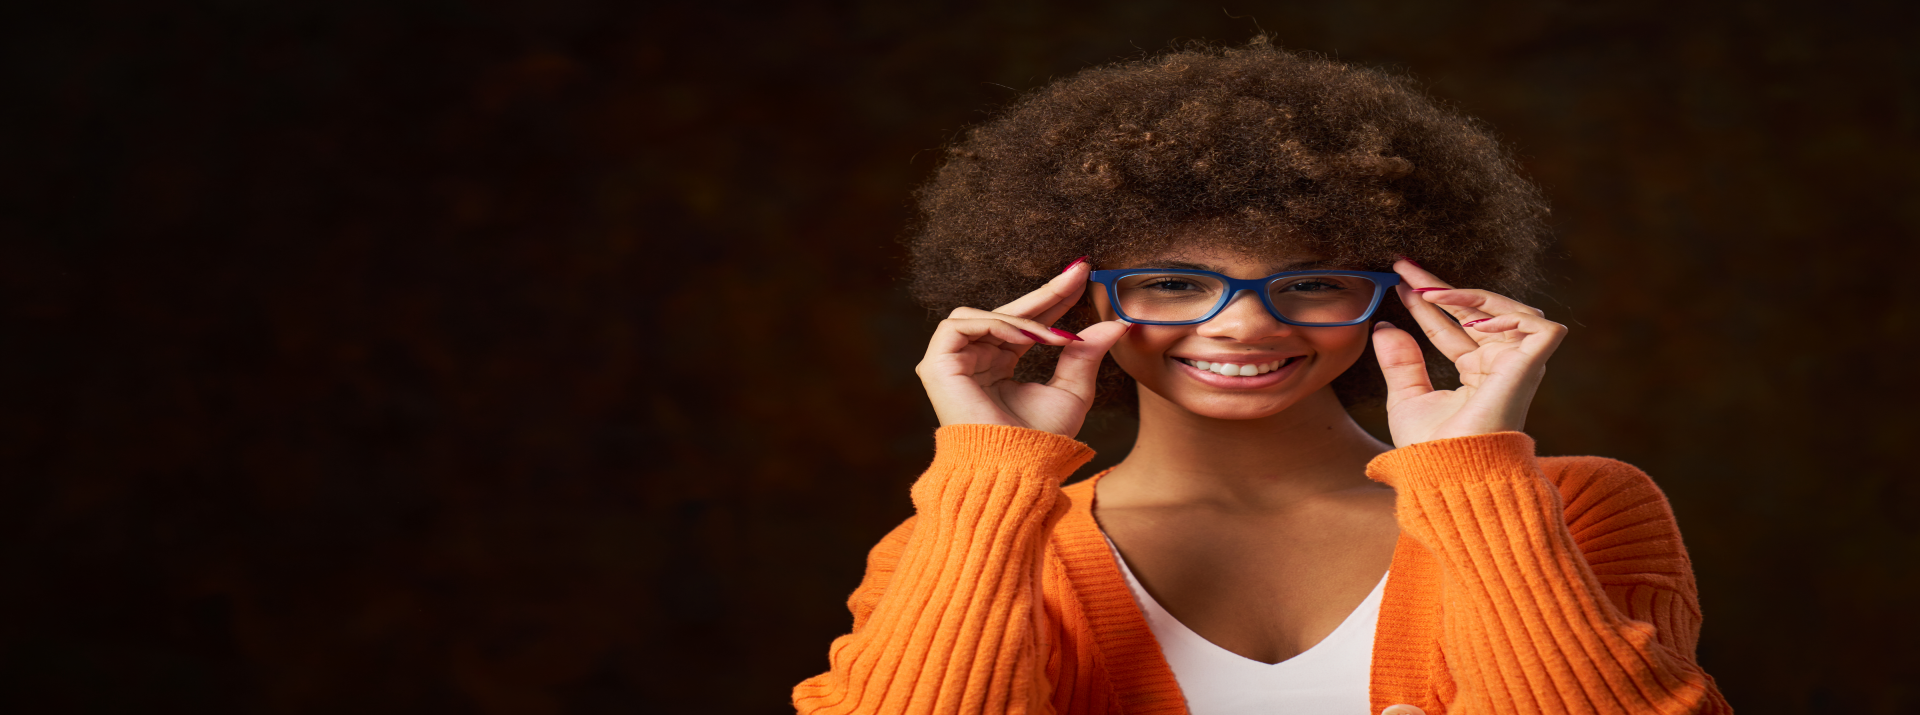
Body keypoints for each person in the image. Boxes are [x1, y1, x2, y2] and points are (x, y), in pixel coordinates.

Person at [795, 37, 1729, 715]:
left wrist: (1475, 472)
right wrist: (992, 464)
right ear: (1069, 300)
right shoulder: (969, 537)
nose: (1245, 322)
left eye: (1314, 283)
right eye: (1171, 282)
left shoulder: (1577, 508)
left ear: (1397, 295)